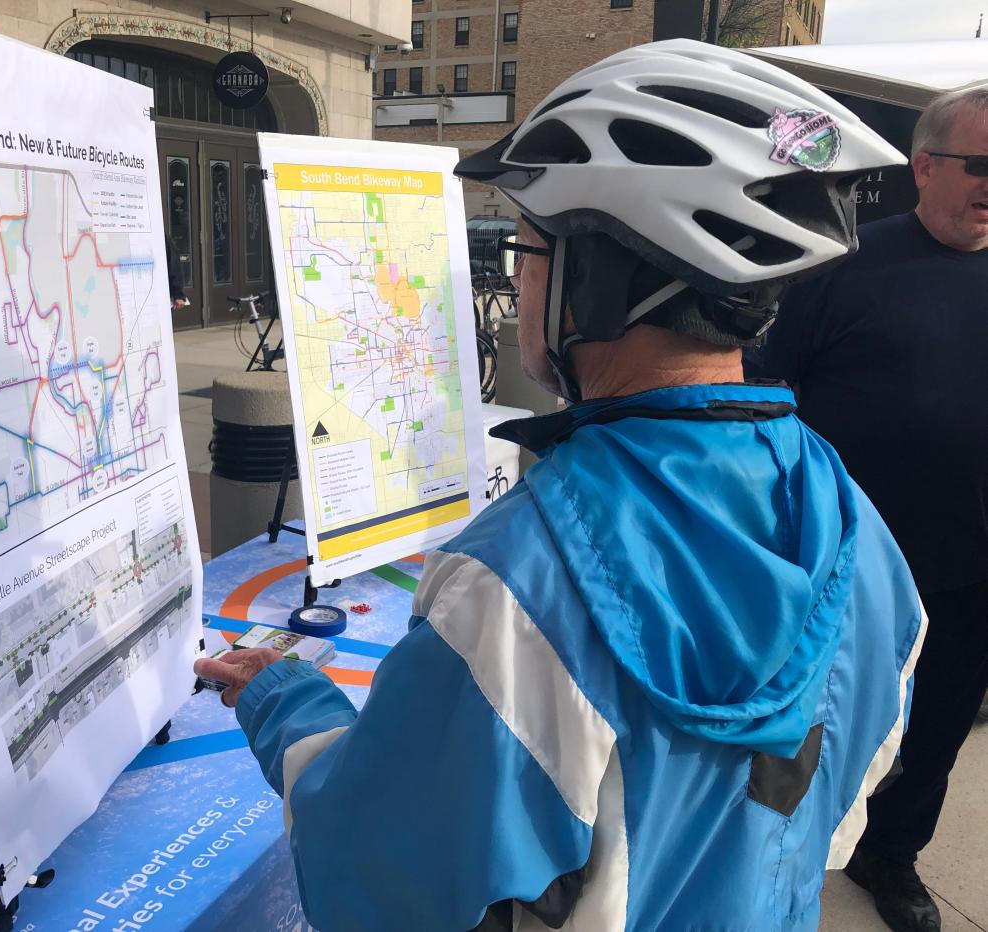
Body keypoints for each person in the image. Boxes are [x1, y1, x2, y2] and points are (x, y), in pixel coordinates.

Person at [194, 41, 922, 930]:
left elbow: (375, 872)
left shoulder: (517, 584)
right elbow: (838, 795)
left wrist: (278, 695)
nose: (517, 277)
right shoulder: (857, 522)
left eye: (530, 251)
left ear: (601, 278)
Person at [748, 86, 988, 932]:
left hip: (974, 570)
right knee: (820, 723)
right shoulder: (841, 266)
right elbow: (768, 398)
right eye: (980, 164)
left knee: (938, 730)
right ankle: (778, 857)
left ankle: (892, 854)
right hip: (852, 566)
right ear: (924, 167)